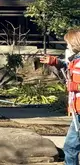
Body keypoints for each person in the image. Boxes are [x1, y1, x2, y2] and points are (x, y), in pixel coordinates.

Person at [40, 29, 80, 165]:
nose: (67, 47)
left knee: (71, 146)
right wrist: (55, 62)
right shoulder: (75, 60)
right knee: (71, 146)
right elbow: (67, 65)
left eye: (68, 44)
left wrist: (75, 87)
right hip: (77, 111)